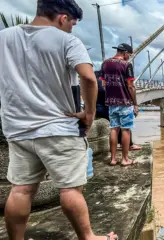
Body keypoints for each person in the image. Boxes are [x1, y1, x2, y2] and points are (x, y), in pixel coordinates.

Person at [0, 0, 118, 239]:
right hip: (58, 128)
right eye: (72, 24)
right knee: (71, 189)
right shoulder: (66, 40)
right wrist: (89, 113)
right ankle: (88, 237)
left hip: (17, 128)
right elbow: (88, 77)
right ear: (63, 18)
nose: (72, 29)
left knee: (21, 191)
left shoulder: (4, 37)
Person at [99, 43, 139, 166]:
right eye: (129, 55)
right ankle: (125, 159)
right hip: (125, 102)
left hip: (111, 103)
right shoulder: (127, 65)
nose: (129, 57)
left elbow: (103, 84)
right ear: (125, 52)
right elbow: (131, 86)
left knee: (113, 129)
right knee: (126, 129)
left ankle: (113, 159)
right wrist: (135, 104)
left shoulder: (105, 63)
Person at [95, 71, 141, 151]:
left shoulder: (95, 83)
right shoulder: (109, 83)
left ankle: (113, 151)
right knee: (125, 126)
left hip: (98, 110)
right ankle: (129, 145)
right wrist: (134, 105)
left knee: (114, 129)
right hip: (109, 108)